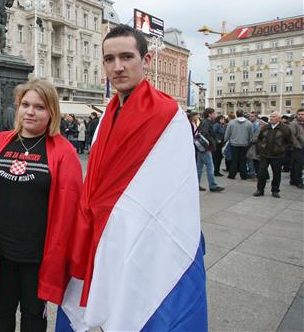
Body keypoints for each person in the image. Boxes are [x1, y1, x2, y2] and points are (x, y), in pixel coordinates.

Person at [59, 25, 207, 331]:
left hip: (144, 230)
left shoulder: (169, 114)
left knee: (135, 303)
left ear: (146, 60)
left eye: (127, 57)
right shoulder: (108, 112)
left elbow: (174, 189)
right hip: (104, 229)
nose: (118, 66)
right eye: (109, 59)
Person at [0, 78, 82, 332]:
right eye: (25, 104)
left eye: (39, 107)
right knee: (0, 315)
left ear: (51, 111)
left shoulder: (64, 152)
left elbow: (71, 207)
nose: (30, 112)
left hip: (38, 257)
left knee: (33, 319)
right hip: (0, 253)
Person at [253, 111, 293, 198]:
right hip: (264, 154)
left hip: (277, 156)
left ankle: (275, 190)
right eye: (271, 116)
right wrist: (260, 148)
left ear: (279, 118)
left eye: (274, 116)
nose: (271, 118)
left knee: (276, 173)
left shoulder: (285, 128)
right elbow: (259, 139)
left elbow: (289, 142)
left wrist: (283, 149)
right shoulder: (265, 127)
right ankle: (260, 190)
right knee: (261, 173)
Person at [196, 108, 224, 192]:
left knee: (199, 168)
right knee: (210, 167)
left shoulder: (205, 122)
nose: (215, 115)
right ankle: (213, 186)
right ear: (209, 114)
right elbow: (204, 134)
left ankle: (196, 184)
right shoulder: (207, 123)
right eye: (214, 113)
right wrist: (212, 140)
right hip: (206, 148)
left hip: (202, 148)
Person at [224, 109, 252, 180]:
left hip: (234, 144)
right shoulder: (249, 123)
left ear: (236, 114)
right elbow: (251, 135)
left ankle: (232, 175)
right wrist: (249, 142)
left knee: (234, 160)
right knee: (243, 160)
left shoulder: (231, 123)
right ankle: (244, 175)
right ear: (243, 114)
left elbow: (227, 133)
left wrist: (225, 140)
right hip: (245, 144)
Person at [288, 108, 304, 188]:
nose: (301, 116)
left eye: (302, 114)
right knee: (298, 165)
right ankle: (298, 181)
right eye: (299, 114)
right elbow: (292, 136)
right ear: (296, 115)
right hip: (298, 147)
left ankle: (293, 180)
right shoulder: (294, 124)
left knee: (295, 164)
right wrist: (297, 146)